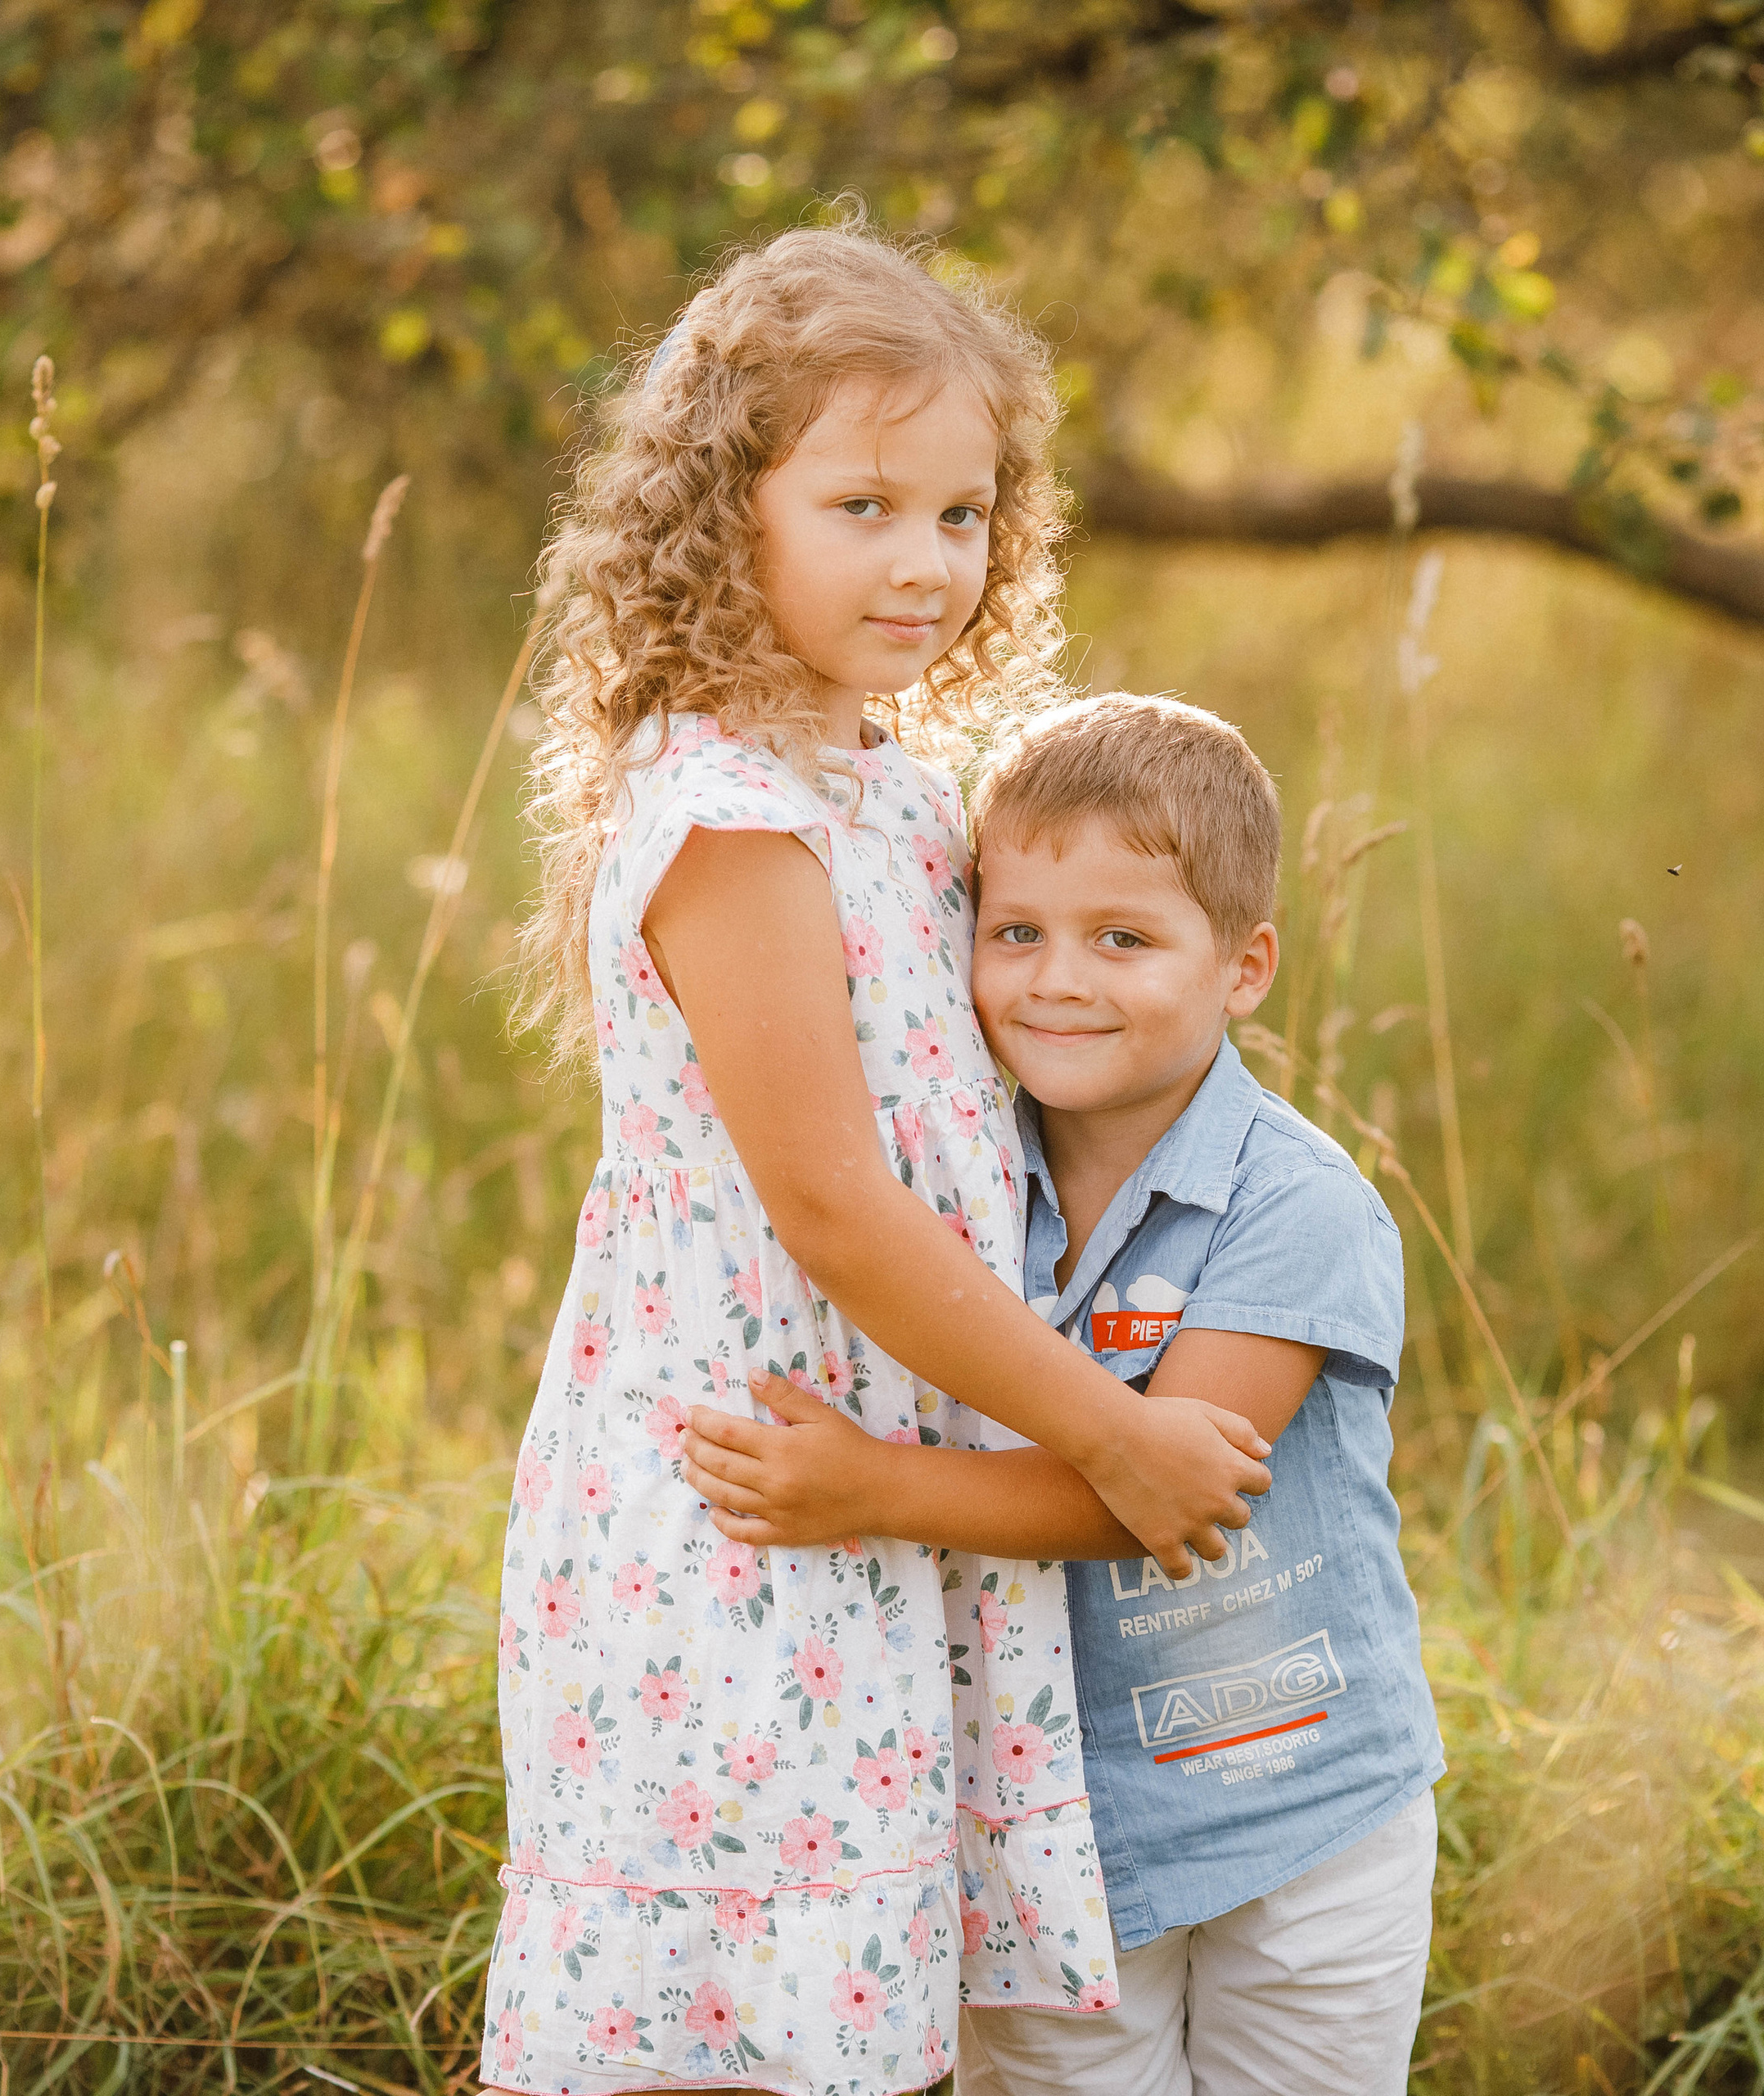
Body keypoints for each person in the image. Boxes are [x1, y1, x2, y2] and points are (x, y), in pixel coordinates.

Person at [481, 225, 1273, 2096]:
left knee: (855, 2012)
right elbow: (835, 1205)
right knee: (722, 2024)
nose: (925, 562)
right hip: (745, 1503)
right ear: (718, 510)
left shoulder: (895, 785)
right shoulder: (731, 818)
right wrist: (1109, 1428)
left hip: (878, 1486)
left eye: (961, 513)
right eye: (860, 504)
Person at [683, 693, 1446, 2096]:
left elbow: (1159, 1495)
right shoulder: (959, 1193)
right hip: (1045, 1816)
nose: (1057, 980)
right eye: (1017, 931)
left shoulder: (1297, 1207)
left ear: (1246, 965)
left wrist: (870, 1490)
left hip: (1302, 1813)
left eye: (1126, 939)